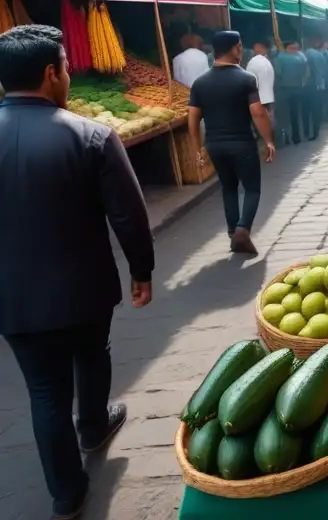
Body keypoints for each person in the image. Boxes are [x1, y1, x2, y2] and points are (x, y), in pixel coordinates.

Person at [0, 25, 153, 520]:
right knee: (92, 355)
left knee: (44, 391)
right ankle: (92, 425)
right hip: (83, 288)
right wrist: (141, 271)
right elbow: (128, 214)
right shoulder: (90, 135)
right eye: (66, 67)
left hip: (12, 297)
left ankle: (66, 494)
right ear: (51, 73)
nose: (68, 75)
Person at [189, 31, 276, 254]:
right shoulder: (246, 79)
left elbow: (193, 117)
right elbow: (257, 112)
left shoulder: (200, 83)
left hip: (215, 146)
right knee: (252, 189)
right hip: (242, 144)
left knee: (228, 188)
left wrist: (198, 146)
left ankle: (232, 231)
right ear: (237, 48)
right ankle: (242, 230)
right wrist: (269, 140)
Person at [275, 40, 308, 145]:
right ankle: (296, 137)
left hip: (284, 90)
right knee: (295, 114)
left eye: (295, 48)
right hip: (297, 89)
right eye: (293, 48)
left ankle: (287, 138)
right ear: (288, 48)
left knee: (285, 115)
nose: (294, 50)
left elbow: (278, 73)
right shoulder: (301, 57)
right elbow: (306, 72)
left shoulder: (279, 57)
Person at [304, 35, 328, 140]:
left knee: (309, 110)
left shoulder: (307, 55)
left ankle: (309, 132)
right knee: (317, 110)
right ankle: (316, 131)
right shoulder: (321, 55)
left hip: (311, 86)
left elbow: (307, 73)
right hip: (320, 85)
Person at [246, 40, 276, 126]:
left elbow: (250, 81)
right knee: (269, 118)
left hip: (258, 97)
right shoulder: (268, 61)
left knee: (260, 120)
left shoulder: (254, 62)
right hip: (269, 96)